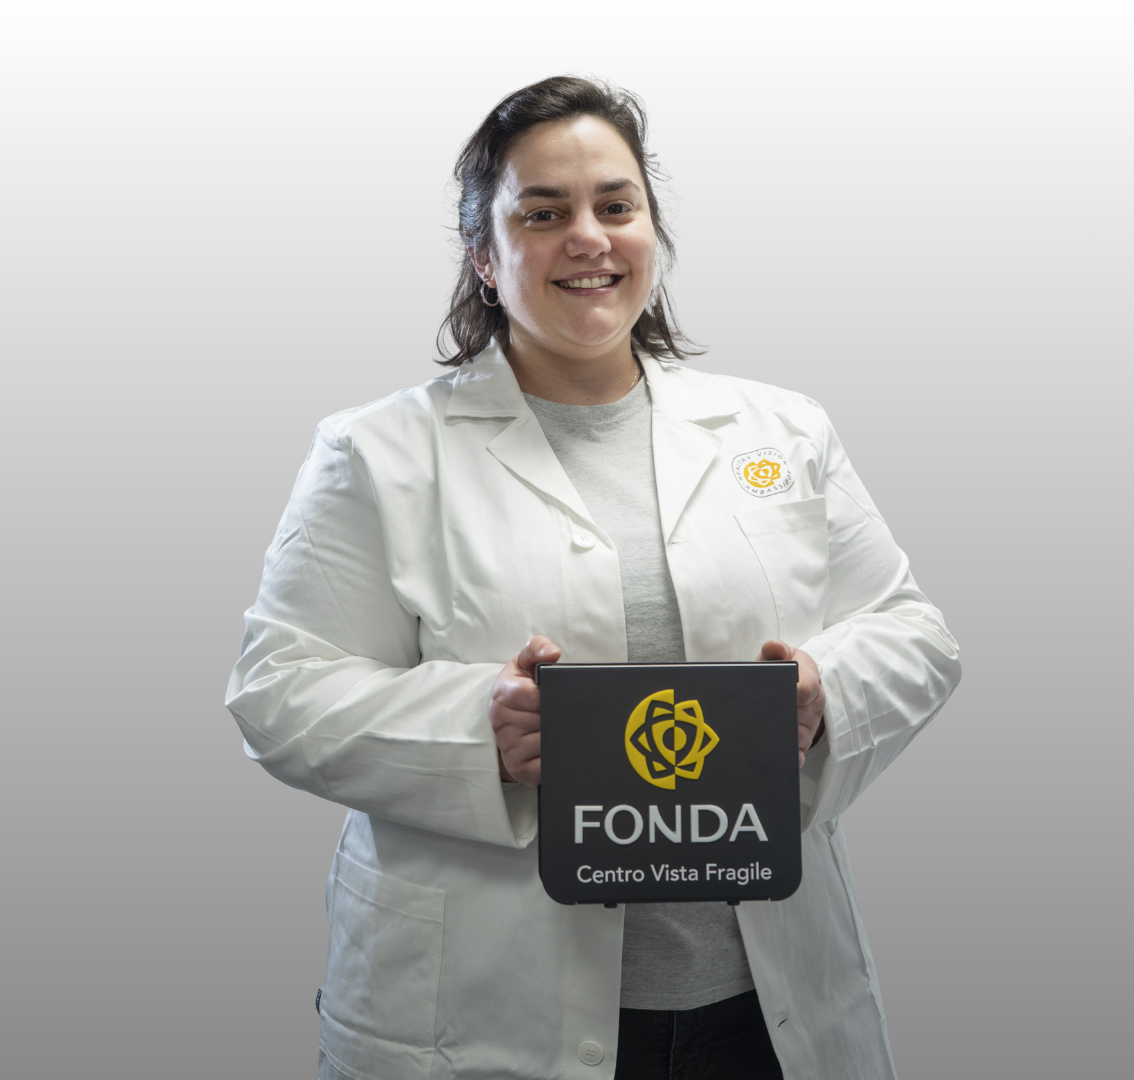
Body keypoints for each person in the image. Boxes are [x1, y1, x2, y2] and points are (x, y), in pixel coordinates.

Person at [227, 76, 961, 1080]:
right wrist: (478, 729)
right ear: (484, 256)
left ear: (651, 234)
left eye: (617, 206)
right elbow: (277, 692)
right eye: (543, 213)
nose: (589, 237)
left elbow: (914, 632)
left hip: (762, 1011)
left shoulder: (781, 432)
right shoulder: (376, 454)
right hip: (480, 1008)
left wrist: (823, 692)